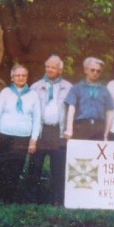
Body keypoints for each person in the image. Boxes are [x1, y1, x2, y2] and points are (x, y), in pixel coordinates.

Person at [0, 65, 42, 202]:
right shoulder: (5, 92)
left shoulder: (33, 94)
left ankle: (10, 197)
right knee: (2, 166)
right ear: (12, 78)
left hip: (23, 137)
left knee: (16, 167)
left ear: (27, 77)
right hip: (4, 134)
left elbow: (37, 119)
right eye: (17, 75)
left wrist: (33, 140)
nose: (20, 78)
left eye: (23, 75)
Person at [26, 54, 72, 205]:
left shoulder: (68, 87)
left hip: (58, 132)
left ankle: (57, 201)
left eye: (53, 67)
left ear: (60, 69)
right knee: (35, 167)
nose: (50, 70)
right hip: (41, 131)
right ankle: (31, 199)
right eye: (48, 67)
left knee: (58, 169)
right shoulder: (35, 86)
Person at [64, 57, 114, 140]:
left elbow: (110, 112)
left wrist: (106, 132)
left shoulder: (104, 90)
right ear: (85, 70)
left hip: (99, 127)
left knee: (96, 152)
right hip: (81, 126)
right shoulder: (76, 88)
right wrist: (69, 130)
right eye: (92, 70)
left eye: (98, 71)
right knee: (80, 152)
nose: (95, 73)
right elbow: (71, 108)